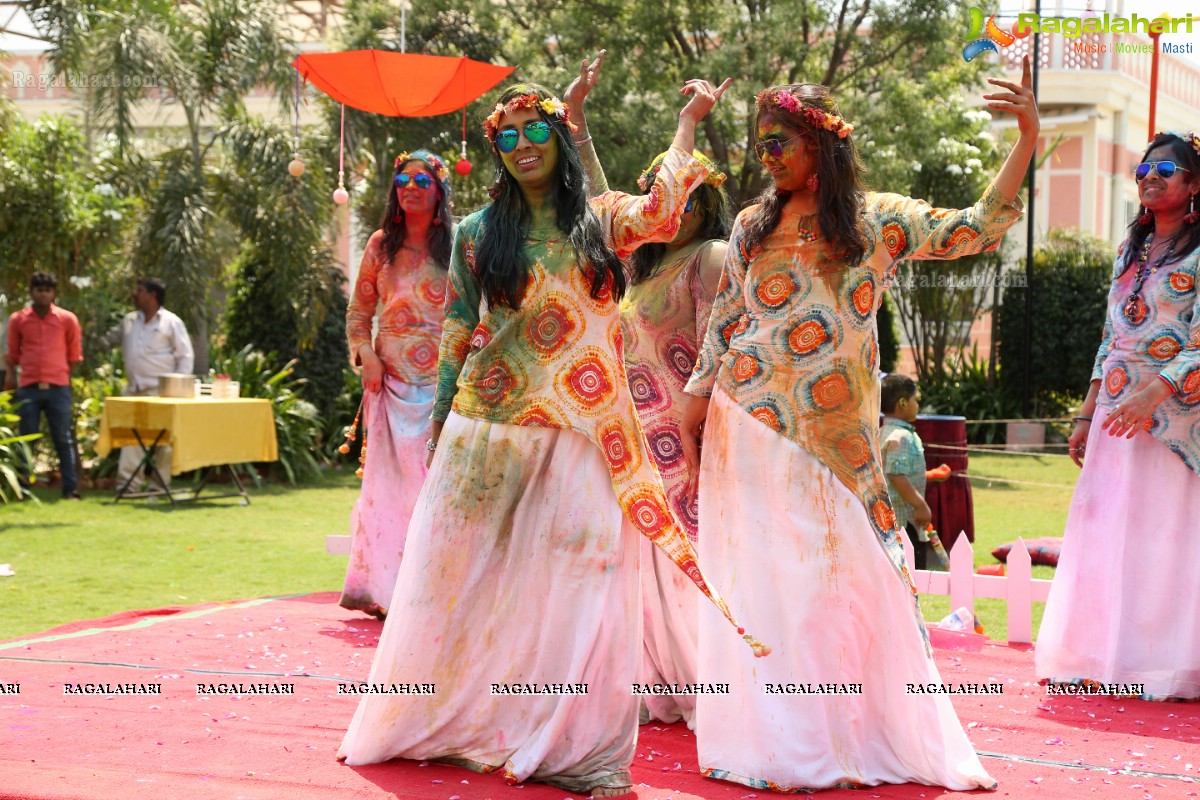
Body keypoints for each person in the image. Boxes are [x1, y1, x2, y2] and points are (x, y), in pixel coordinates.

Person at [338, 76, 754, 798]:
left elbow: (661, 211)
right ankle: (450, 722)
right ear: (497, 149)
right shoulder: (475, 233)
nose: (523, 145)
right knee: (464, 579)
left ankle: (577, 746)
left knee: (585, 581)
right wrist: (440, 424)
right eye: (509, 135)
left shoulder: (602, 220)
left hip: (587, 434)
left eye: (538, 131)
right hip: (490, 426)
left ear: (559, 140)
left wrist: (688, 119)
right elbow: (460, 332)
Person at [678, 58, 1039, 791]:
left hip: (836, 443)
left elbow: (974, 228)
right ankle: (773, 745)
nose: (765, 154)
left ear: (822, 144)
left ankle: (837, 736)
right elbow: (726, 317)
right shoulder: (753, 224)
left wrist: (1026, 139)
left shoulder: (877, 222)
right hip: (746, 422)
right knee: (759, 585)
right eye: (760, 140)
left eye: (778, 139)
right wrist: (693, 397)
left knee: (832, 589)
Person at [1036, 130, 1200, 702]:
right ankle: (1100, 658)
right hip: (1112, 418)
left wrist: (1155, 392)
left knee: (1162, 542)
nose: (1150, 176)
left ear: (1195, 184)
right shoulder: (1128, 251)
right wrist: (1085, 415)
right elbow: (1111, 336)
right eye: (1142, 168)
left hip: (1173, 422)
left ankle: (1166, 668)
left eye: (1166, 168)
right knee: (1108, 537)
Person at [622, 151, 732, 728]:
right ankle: (654, 676)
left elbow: (719, 341)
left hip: (684, 431)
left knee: (690, 549)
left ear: (709, 203)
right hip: (636, 430)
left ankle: (704, 678)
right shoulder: (642, 269)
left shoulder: (711, 256)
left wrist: (701, 421)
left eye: (693, 197)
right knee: (646, 557)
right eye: (670, 196)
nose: (681, 209)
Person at [339, 149, 453, 619]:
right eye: (402, 180)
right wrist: (365, 354)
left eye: (421, 181)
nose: (409, 188)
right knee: (387, 491)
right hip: (387, 387)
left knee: (435, 490)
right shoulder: (380, 245)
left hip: (445, 389)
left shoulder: (460, 244)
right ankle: (385, 592)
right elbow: (359, 313)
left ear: (440, 189)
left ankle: (435, 593)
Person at [4, 271, 83, 500]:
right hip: (29, 386)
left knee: (63, 439)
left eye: (47, 290)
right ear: (32, 292)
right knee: (27, 439)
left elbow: (74, 356)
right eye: (39, 289)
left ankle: (70, 489)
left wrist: (60, 376)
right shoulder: (18, 319)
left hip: (58, 387)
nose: (43, 294)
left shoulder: (67, 319)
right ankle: (23, 490)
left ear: (53, 293)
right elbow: (13, 354)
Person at [111, 277, 194, 493]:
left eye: (140, 290)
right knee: (131, 440)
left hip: (161, 393)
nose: (135, 294)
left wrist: (176, 389)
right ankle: (128, 486)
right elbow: (110, 340)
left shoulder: (171, 322)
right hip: (134, 391)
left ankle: (159, 486)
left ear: (152, 295)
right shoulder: (129, 320)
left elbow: (185, 356)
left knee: (163, 443)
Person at [879, 373, 950, 570]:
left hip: (890, 524)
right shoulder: (900, 437)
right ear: (902, 403)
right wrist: (921, 505)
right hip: (904, 523)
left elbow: (895, 473)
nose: (917, 405)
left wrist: (931, 475)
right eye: (915, 400)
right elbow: (895, 474)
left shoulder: (883, 432)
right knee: (911, 574)